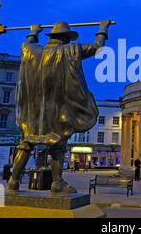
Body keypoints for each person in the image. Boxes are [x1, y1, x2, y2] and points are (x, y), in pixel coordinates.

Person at [7, 21, 110, 193]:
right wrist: (102, 28)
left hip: (33, 112)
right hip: (56, 109)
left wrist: (34, 31)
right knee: (58, 146)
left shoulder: (31, 51)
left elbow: (26, 44)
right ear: (65, 38)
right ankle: (57, 183)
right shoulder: (71, 50)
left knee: (25, 144)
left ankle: (13, 181)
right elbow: (97, 46)